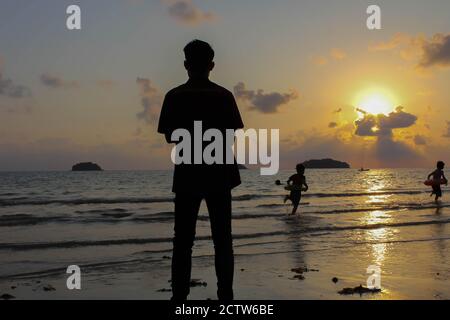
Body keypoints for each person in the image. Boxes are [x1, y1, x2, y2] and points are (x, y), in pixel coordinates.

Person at [157, 40, 244, 301]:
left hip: (188, 173)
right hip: (220, 172)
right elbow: (231, 134)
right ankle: (226, 296)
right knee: (223, 239)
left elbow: (169, 136)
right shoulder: (224, 95)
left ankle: (179, 297)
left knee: (182, 240)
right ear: (212, 65)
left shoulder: (174, 95)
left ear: (185, 64)